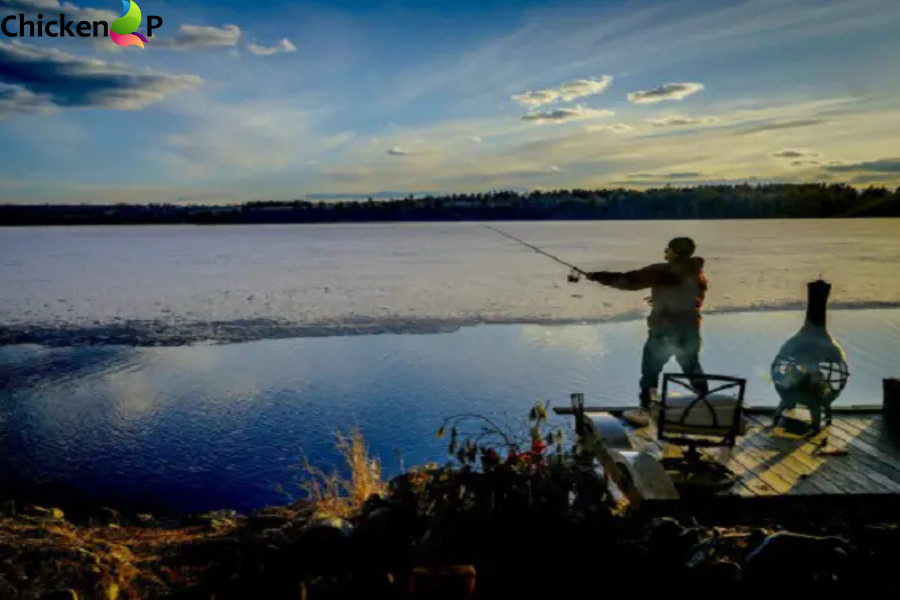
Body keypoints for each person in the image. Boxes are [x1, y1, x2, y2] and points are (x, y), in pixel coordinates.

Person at [586, 237, 709, 411]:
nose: (665, 252)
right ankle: (707, 406)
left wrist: (597, 276)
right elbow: (687, 298)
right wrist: (660, 300)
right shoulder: (698, 273)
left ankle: (647, 408)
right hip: (689, 330)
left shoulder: (663, 271)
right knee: (693, 369)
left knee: (650, 372)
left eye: (668, 249)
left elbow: (629, 280)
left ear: (676, 252)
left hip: (664, 331)